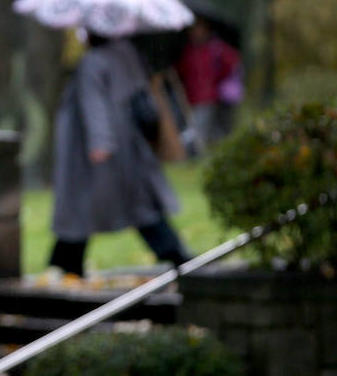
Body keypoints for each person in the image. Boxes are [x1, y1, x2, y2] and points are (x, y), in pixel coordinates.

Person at [48, 32, 192, 278]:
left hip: (100, 151)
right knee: (139, 205)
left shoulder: (92, 61)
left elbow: (93, 102)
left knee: (82, 207)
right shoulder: (127, 55)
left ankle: (67, 264)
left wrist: (100, 141)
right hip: (130, 144)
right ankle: (67, 262)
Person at [175, 18, 242, 147]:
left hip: (208, 96)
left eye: (198, 30)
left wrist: (218, 81)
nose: (195, 33)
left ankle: (200, 154)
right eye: (193, 30)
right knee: (201, 130)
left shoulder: (215, 48)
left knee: (200, 131)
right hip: (190, 97)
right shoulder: (188, 51)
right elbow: (182, 71)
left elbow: (231, 63)